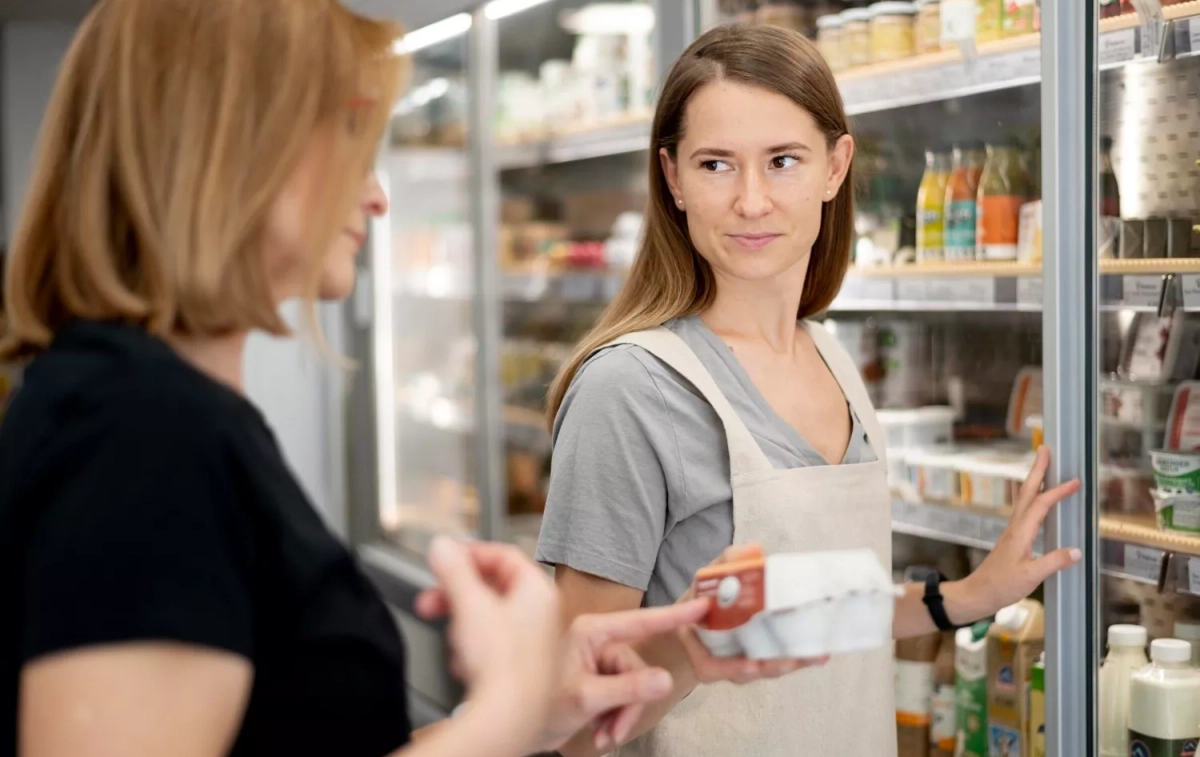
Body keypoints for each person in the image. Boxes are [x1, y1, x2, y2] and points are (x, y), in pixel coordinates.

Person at [0, 1, 710, 756]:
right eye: (348, 138)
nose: (376, 195)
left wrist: (528, 712)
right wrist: (497, 709)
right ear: (228, 143)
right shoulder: (136, 432)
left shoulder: (163, 413)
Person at [536, 23, 1082, 757]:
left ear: (835, 167)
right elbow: (572, 723)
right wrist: (697, 642)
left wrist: (968, 596)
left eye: (783, 161)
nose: (752, 200)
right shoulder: (630, 390)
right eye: (716, 164)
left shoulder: (832, 359)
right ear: (673, 179)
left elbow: (818, 619)